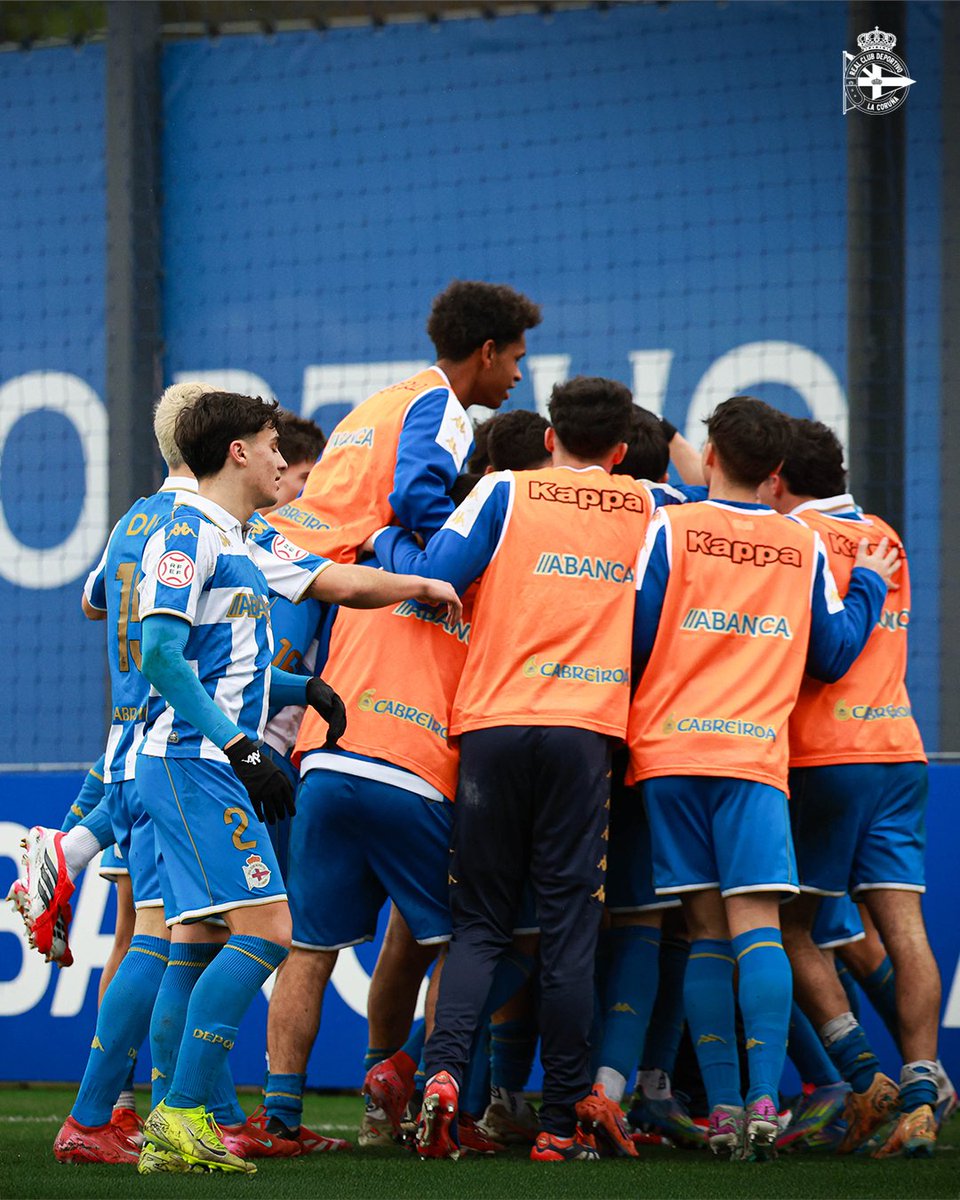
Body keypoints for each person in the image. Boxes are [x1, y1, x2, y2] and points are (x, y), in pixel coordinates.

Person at [127, 391, 460, 1175]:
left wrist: (422, 588)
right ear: (237, 453)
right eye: (274, 445)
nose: (287, 460)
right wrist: (243, 745)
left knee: (200, 942)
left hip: (209, 764)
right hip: (190, 763)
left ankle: (184, 1115)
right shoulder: (184, 532)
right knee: (265, 932)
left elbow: (339, 585)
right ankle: (175, 1116)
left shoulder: (244, 540)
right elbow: (161, 658)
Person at [374, 377, 665, 1162]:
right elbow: (648, 627)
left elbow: (435, 577)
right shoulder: (648, 509)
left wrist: (385, 544)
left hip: (493, 728)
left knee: (479, 924)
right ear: (621, 450)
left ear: (548, 438)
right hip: (584, 734)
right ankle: (561, 1125)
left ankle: (439, 1082)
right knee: (570, 933)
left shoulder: (504, 491)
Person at [626, 396, 898, 1161]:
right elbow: (834, 654)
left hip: (671, 757)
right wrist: (870, 585)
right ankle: (765, 1103)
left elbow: (638, 634)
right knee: (759, 932)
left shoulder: (669, 528)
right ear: (776, 472)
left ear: (710, 454)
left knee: (705, 933)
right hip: (753, 761)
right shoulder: (801, 542)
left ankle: (718, 1113)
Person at [759, 418, 942, 1158]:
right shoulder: (884, 532)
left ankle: (866, 1082)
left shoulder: (795, 542)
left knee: (791, 925)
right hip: (899, 747)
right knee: (902, 927)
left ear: (776, 477)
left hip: (825, 756)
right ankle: (924, 1090)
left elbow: (815, 653)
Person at [268, 279, 541, 563]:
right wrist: (454, 556)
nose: (518, 374)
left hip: (284, 548)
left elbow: (313, 492)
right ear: (488, 353)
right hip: (317, 570)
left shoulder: (380, 401)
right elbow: (416, 493)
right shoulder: (443, 406)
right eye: (517, 359)